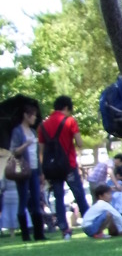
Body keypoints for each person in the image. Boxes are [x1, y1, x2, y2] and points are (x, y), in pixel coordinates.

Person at [38, 96, 91, 239]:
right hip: (69, 165)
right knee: (79, 194)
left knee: (58, 197)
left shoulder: (43, 125)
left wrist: (43, 169)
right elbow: (79, 142)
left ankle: (64, 229)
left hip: (52, 168)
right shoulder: (70, 121)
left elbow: (41, 150)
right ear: (67, 108)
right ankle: (90, 223)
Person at [10, 103, 46, 241]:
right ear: (26, 115)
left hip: (35, 169)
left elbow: (37, 154)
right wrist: (26, 144)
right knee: (23, 200)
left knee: (37, 200)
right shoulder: (17, 131)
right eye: (33, 115)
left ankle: (39, 233)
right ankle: (25, 233)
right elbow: (14, 151)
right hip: (23, 170)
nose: (35, 118)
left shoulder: (32, 131)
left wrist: (41, 172)